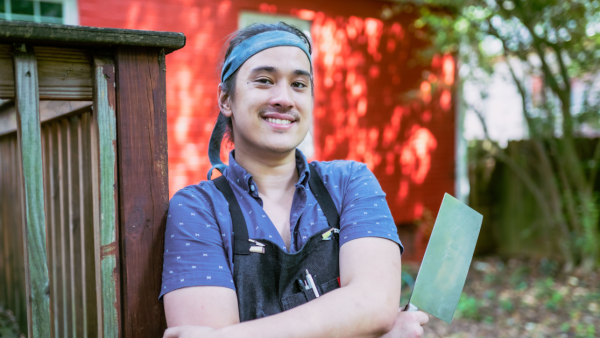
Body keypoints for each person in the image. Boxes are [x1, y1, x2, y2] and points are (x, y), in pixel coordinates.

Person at [161, 22, 429, 338]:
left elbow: (374, 303)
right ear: (226, 99)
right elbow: (371, 315)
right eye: (264, 81)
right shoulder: (198, 208)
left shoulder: (349, 183)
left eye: (299, 84)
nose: (284, 99)